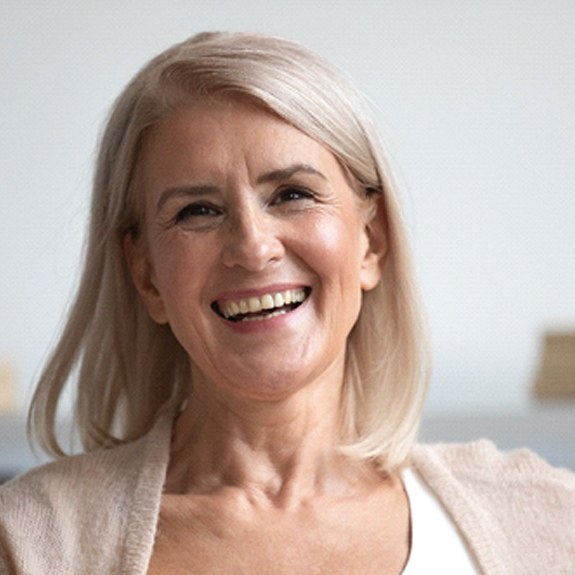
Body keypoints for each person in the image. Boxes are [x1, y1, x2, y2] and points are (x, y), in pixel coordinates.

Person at [0, 31, 573, 575]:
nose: (252, 247)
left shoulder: (548, 519)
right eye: (197, 210)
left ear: (372, 243)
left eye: (292, 194)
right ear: (146, 275)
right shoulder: (27, 544)